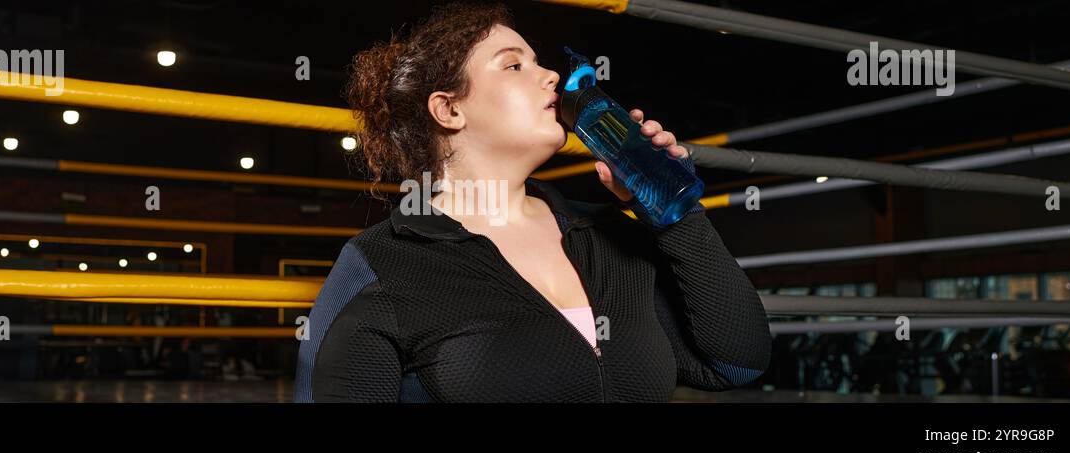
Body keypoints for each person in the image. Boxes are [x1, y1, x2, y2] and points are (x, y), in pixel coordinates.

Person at [294, 1, 771, 402]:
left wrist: (673, 210)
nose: (550, 76)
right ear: (449, 109)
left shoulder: (609, 235)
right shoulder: (383, 265)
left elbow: (736, 363)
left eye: (539, 61)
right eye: (514, 64)